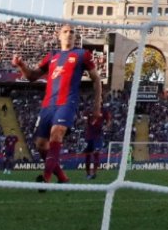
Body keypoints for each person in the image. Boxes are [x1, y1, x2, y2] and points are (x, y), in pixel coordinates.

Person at [12, 23, 102, 189]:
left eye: (72, 31)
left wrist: (97, 106)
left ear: (75, 36)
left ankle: (45, 179)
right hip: (48, 105)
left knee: (57, 133)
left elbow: (96, 79)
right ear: (59, 36)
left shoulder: (82, 54)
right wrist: (21, 65)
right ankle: (62, 178)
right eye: (65, 31)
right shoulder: (52, 55)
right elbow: (32, 76)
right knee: (41, 145)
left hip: (67, 102)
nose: (69, 34)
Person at [84, 105, 112, 179]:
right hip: (89, 136)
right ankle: (88, 173)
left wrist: (106, 126)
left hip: (98, 136)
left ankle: (94, 173)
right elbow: (85, 120)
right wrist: (85, 122)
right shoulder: (89, 109)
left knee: (96, 154)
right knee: (87, 155)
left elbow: (109, 121)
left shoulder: (104, 110)